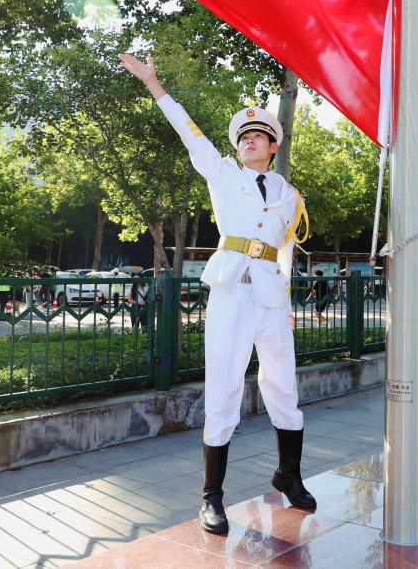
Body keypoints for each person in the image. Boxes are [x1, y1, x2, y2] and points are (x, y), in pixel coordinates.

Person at [118, 53, 316, 537]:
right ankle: (211, 495)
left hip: (271, 299)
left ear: (272, 146)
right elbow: (190, 133)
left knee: (284, 387)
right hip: (232, 292)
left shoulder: (288, 193)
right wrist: (154, 84)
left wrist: (287, 302)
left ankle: (288, 474)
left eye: (258, 137)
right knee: (224, 387)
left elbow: (285, 249)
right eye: (244, 137)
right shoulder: (224, 173)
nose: (249, 142)